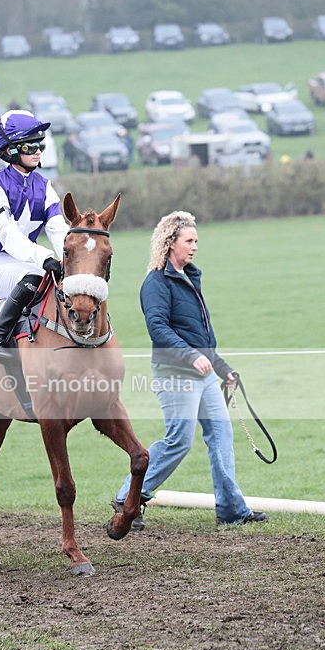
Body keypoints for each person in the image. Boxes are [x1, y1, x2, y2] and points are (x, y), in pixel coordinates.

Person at [111, 210, 268, 529]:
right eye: (189, 240)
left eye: (196, 240)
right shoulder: (155, 282)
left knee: (221, 434)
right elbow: (157, 326)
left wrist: (221, 367)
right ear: (170, 243)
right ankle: (129, 496)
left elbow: (200, 335)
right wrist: (189, 356)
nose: (195, 246)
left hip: (204, 374)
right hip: (174, 373)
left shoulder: (190, 277)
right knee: (179, 440)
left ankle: (231, 509)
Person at [0, 109, 68, 361]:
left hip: (29, 262)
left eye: (41, 144)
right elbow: (9, 235)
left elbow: (58, 228)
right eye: (30, 146)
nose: (38, 151)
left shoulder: (44, 185)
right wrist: (45, 256)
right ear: (11, 150)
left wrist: (71, 258)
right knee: (36, 276)